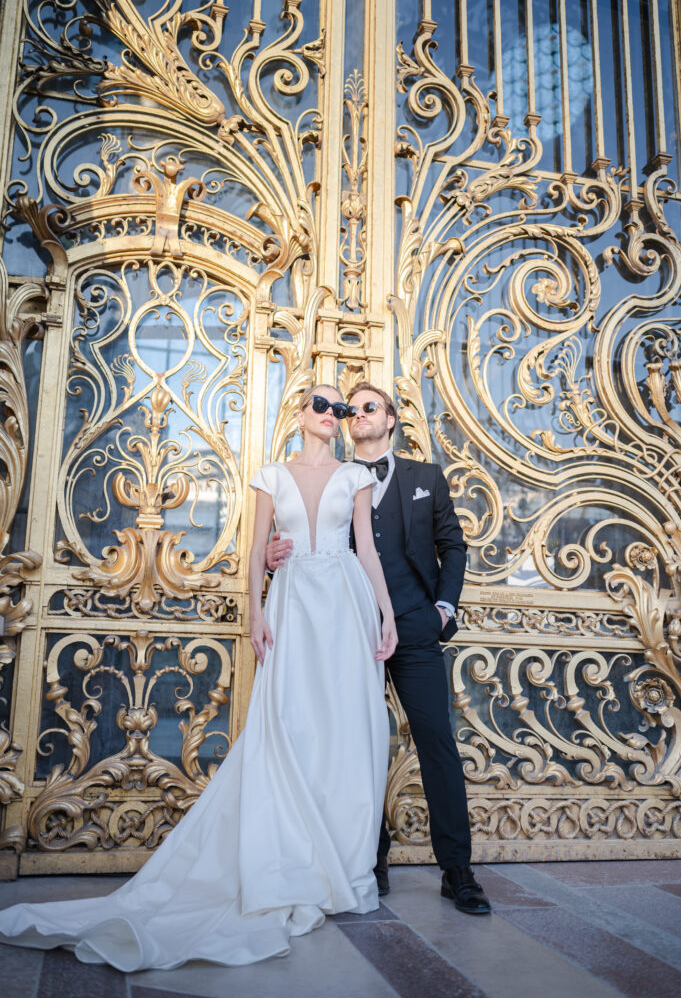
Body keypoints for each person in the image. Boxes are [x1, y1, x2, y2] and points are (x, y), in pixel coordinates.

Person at [0, 384, 397, 970]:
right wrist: (257, 613)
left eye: (341, 408)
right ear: (300, 413)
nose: (333, 415)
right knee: (291, 724)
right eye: (322, 404)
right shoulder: (271, 476)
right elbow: (258, 547)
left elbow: (367, 551)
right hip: (293, 605)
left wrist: (385, 613)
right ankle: (291, 854)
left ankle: (337, 856)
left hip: (345, 604)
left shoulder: (355, 478)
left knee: (344, 730)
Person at [267, 381, 491, 915]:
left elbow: (452, 546)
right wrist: (277, 553)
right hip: (345, 628)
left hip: (414, 627)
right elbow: (306, 538)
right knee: (354, 745)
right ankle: (368, 859)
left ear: (390, 420)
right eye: (351, 408)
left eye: (371, 407)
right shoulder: (332, 476)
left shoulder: (425, 477)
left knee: (437, 741)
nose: (357, 414)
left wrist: (444, 609)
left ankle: (457, 871)